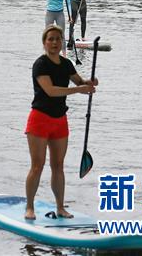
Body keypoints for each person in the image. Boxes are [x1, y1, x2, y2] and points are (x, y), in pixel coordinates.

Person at [24, 24, 98, 220]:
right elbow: (51, 90)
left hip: (60, 121)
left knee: (58, 166)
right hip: (39, 119)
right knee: (37, 166)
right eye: (51, 39)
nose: (55, 42)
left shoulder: (66, 64)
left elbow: (78, 81)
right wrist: (78, 90)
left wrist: (88, 83)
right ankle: (29, 207)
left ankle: (60, 208)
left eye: (58, 39)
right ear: (44, 43)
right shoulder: (40, 64)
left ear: (62, 42)